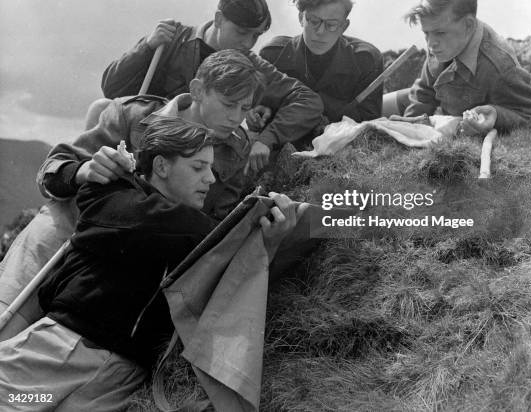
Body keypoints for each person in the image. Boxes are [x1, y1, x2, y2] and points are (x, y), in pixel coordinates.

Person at [0, 118, 307, 411]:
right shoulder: (112, 193)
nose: (210, 179)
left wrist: (267, 240)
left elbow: (231, 278)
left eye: (211, 168)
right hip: (60, 349)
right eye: (199, 167)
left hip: (120, 377)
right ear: (161, 166)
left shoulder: (199, 233)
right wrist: (242, 225)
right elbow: (159, 223)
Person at [0, 50, 261, 339]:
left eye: (245, 109)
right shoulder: (133, 114)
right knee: (5, 319)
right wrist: (83, 170)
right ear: (198, 90)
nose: (237, 118)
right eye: (228, 105)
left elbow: (217, 218)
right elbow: (51, 170)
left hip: (125, 261)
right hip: (69, 227)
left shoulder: (236, 148)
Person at [99, 0, 323, 171]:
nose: (248, 43)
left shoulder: (251, 65)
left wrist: (267, 138)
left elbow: (308, 101)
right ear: (218, 19)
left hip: (204, 158)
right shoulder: (171, 39)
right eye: (241, 32)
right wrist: (147, 47)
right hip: (148, 142)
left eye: (256, 36)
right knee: (99, 108)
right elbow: (112, 88)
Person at [400, 0, 531, 134]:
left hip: (456, 114)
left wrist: (496, 115)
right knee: (374, 106)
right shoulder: (443, 44)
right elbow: (423, 92)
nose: (430, 44)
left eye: (440, 33)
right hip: (435, 101)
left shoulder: (499, 67)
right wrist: (408, 130)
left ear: (468, 25)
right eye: (426, 33)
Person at [259, 0, 384, 125]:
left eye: (331, 24)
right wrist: (258, 113)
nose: (320, 31)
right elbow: (259, 109)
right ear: (301, 18)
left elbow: (369, 123)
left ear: (344, 27)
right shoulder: (272, 56)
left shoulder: (367, 60)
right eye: (313, 21)